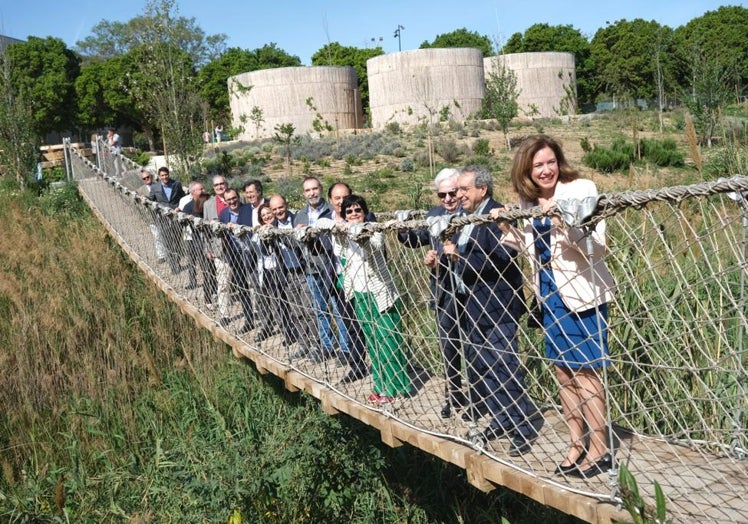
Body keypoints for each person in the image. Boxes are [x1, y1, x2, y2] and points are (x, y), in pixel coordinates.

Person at [494, 135, 616, 476]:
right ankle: (576, 443)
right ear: (526, 171)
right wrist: (506, 226)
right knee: (563, 373)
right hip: (548, 295)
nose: (545, 171)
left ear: (559, 161)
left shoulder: (580, 189)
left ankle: (600, 448)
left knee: (586, 372)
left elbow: (598, 246)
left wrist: (563, 220)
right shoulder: (527, 199)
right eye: (537, 166)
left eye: (550, 162)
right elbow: (531, 248)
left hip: (582, 294)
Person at [443, 165, 537, 457]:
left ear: (482, 189)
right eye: (457, 190)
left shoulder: (498, 215)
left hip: (498, 305)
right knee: (485, 367)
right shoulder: (466, 218)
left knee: (506, 366)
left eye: (464, 189)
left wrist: (459, 256)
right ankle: (501, 418)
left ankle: (522, 429)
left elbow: (503, 256)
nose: (458, 195)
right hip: (474, 305)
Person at [397, 168, 466, 418]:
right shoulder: (434, 214)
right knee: (448, 345)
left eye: (452, 193)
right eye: (442, 195)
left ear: (461, 190)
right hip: (443, 286)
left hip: (471, 288)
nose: (447, 199)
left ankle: (482, 397)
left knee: (473, 346)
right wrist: (403, 229)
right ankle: (454, 395)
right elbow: (417, 240)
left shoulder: (471, 213)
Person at [338, 195, 411, 404]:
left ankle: (395, 387)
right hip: (360, 295)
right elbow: (338, 249)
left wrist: (359, 235)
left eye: (357, 210)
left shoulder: (374, 229)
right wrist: (341, 229)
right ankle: (380, 386)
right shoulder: (342, 233)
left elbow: (374, 248)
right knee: (372, 343)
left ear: (364, 212)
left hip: (381, 294)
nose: (354, 214)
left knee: (388, 341)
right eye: (349, 211)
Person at [293, 177, 349, 363]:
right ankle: (327, 346)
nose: (312, 193)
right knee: (319, 310)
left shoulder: (331, 210)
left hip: (330, 267)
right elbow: (294, 242)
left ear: (321, 189)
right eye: (308, 190)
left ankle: (345, 348)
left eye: (315, 189)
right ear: (304, 193)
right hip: (310, 268)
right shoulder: (299, 215)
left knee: (338, 309)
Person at [268, 194, 320, 355]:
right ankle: (303, 345)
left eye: (281, 207)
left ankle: (318, 346)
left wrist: (279, 234)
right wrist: (266, 234)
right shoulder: (272, 225)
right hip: (286, 274)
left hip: (302, 271)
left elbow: (295, 244)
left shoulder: (298, 219)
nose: (278, 211)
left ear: (286, 205)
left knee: (310, 310)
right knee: (296, 312)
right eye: (275, 209)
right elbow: (266, 251)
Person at [218, 188, 255, 334]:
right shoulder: (224, 214)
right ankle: (249, 319)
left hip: (251, 253)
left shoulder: (249, 210)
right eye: (229, 200)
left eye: (234, 198)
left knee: (257, 287)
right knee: (242, 287)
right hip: (235, 255)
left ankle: (267, 319)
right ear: (225, 202)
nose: (232, 201)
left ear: (238, 197)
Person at [248, 203, 283, 343]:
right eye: (263, 215)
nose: (267, 216)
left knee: (278, 301)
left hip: (279, 269)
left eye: (269, 212)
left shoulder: (281, 228)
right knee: (262, 299)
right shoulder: (260, 231)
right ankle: (266, 327)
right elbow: (252, 247)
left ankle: (285, 329)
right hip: (264, 269)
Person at [148, 167, 186, 274]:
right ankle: (173, 266)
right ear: (159, 176)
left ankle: (176, 258)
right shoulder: (155, 187)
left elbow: (182, 198)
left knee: (177, 240)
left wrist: (180, 208)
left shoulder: (176, 184)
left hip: (175, 216)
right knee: (167, 241)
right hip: (163, 217)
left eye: (166, 175)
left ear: (169, 174)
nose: (164, 177)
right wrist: (144, 198)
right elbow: (151, 199)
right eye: (162, 175)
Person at [204, 176, 232, 320]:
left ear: (226, 184)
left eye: (222, 183)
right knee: (222, 283)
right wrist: (207, 248)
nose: (220, 187)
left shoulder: (235, 199)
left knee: (248, 284)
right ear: (213, 187)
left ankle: (253, 312)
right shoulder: (208, 204)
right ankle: (224, 314)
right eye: (217, 185)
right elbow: (205, 229)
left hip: (239, 248)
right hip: (219, 249)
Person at [182, 192, 217, 307]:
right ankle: (209, 296)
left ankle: (212, 294)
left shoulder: (202, 214)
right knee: (208, 270)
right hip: (203, 244)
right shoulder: (195, 213)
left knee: (209, 270)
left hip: (204, 243)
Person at [138, 168, 167, 263]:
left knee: (166, 234)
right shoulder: (140, 190)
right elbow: (137, 204)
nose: (147, 179)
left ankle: (169, 253)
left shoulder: (159, 185)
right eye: (144, 178)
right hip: (151, 216)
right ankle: (161, 255)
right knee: (156, 236)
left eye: (148, 177)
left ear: (151, 177)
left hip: (162, 214)